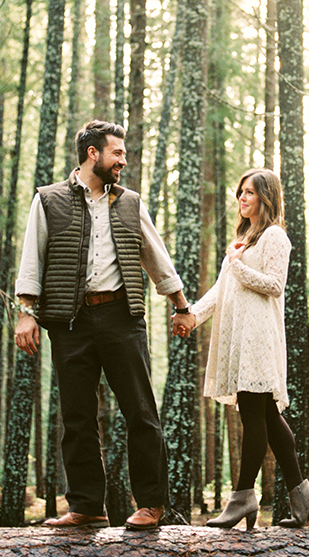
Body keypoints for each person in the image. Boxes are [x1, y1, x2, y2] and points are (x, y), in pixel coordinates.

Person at [14, 119, 191, 530]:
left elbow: (155, 256)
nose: (123, 161)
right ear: (92, 154)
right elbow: (31, 258)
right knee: (76, 417)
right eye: (117, 153)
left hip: (121, 317)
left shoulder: (130, 202)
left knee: (141, 412)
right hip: (69, 322)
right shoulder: (49, 199)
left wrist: (181, 304)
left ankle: (150, 503)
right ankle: (87, 507)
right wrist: (26, 311)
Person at [173, 168, 309, 529]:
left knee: (255, 416)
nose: (241, 197)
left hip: (259, 339)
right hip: (240, 339)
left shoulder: (274, 237)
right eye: (240, 191)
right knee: (267, 417)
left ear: (265, 198)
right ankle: (302, 494)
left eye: (250, 192)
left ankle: (242, 498)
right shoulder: (243, 240)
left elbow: (274, 285)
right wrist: (191, 315)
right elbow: (222, 289)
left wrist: (237, 265)